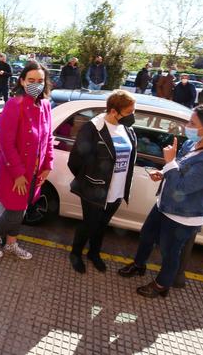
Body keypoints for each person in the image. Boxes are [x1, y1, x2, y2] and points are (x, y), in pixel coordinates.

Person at [118, 103, 203, 298]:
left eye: (192, 122)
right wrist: (163, 172)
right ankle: (139, 265)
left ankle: (162, 285)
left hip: (183, 216)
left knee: (169, 252)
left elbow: (183, 187)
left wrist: (169, 162)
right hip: (164, 204)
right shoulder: (191, 144)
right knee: (146, 236)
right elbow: (178, 171)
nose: (187, 125)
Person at [0, 62, 54, 261]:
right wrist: (17, 174)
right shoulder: (14, 105)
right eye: (31, 80)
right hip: (13, 171)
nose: (36, 84)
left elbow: (48, 137)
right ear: (22, 81)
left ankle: (11, 244)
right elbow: (7, 144)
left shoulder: (45, 105)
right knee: (15, 210)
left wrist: (47, 165)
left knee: (22, 209)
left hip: (34, 171)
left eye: (40, 81)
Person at [67, 90, 137, 273]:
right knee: (89, 223)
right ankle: (75, 253)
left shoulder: (126, 128)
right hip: (94, 189)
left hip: (117, 190)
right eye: (129, 112)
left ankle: (94, 253)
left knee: (102, 224)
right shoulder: (93, 128)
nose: (133, 116)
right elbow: (75, 160)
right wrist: (89, 180)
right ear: (114, 111)